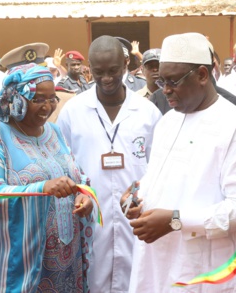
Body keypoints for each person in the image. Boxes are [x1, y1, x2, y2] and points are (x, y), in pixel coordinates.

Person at [124, 32, 236, 293]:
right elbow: (158, 180)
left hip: (211, 269)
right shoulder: (168, 121)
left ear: (202, 75)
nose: (166, 90)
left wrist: (174, 221)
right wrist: (136, 200)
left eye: (173, 81)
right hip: (159, 263)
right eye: (161, 81)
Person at [0, 64, 95, 292]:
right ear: (16, 99)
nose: (48, 106)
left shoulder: (54, 132)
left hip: (66, 266)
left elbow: (79, 177)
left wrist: (84, 196)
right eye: (38, 99)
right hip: (15, 268)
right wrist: (42, 187)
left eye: (52, 98)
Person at [57, 35, 162, 293]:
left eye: (113, 70)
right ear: (89, 68)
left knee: (139, 279)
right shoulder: (73, 111)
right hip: (90, 217)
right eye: (99, 71)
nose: (106, 78)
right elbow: (62, 163)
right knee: (93, 277)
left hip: (137, 216)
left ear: (125, 64)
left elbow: (159, 167)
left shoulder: (148, 112)